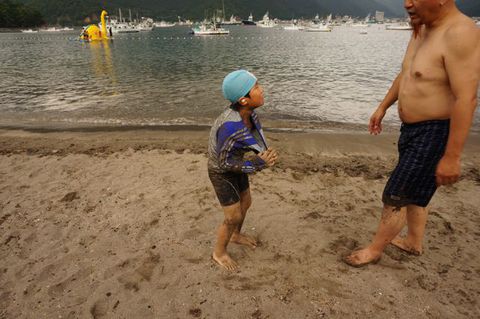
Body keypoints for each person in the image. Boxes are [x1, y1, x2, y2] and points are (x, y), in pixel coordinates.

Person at [345, 0, 480, 267]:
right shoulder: (423, 27)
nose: (407, 3)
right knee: (416, 192)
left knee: (396, 193)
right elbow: (407, 73)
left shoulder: (460, 33)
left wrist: (452, 156)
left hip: (434, 131)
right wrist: (383, 106)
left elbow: (466, 98)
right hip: (412, 130)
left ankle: (374, 250)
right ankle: (413, 242)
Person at [208, 70, 279, 271]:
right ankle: (219, 252)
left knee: (246, 202)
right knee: (233, 216)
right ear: (244, 100)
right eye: (256, 87)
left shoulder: (251, 115)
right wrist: (257, 163)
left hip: (236, 164)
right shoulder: (230, 126)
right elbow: (223, 164)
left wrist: (264, 155)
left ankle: (236, 235)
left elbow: (252, 140)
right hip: (221, 171)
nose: (262, 89)